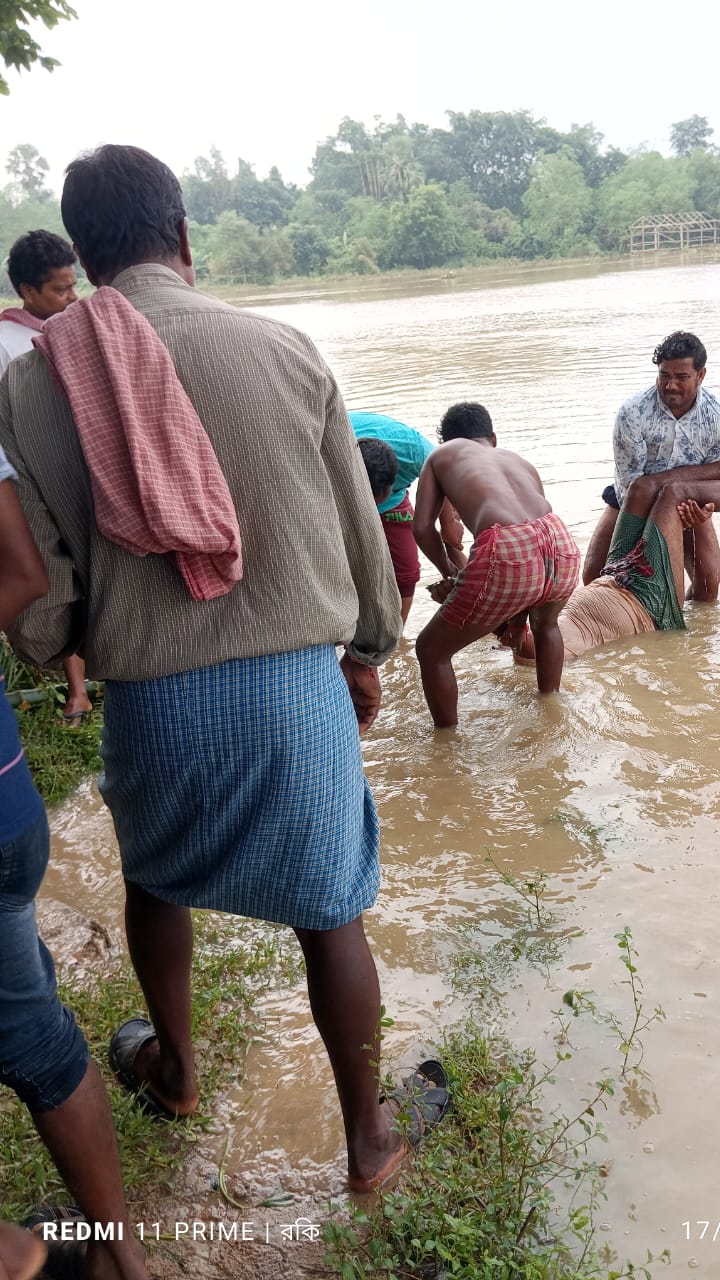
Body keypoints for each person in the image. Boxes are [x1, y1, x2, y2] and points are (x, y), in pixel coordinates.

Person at [0, 144, 448, 1196]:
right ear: (185, 237)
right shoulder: (284, 348)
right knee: (330, 908)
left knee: (156, 880)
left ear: (86, 254)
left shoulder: (38, 376)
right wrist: (370, 647)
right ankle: (367, 1142)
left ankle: (178, 1070)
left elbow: (47, 582)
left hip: (151, 700)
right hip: (296, 691)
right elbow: (356, 521)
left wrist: (76, 644)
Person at [0, 445, 148, 1280]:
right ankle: (113, 1260)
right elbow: (25, 573)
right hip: (6, 804)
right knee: (34, 1027)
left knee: (35, 1028)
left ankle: (31, 1257)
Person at [507, 425, 720, 664]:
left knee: (642, 486)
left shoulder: (528, 624)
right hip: (649, 603)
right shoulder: (550, 653)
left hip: (615, 574)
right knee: (676, 493)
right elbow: (545, 668)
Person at [413, 401, 580, 728]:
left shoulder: (441, 455)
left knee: (430, 651)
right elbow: (536, 533)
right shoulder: (518, 460)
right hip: (559, 540)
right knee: (547, 625)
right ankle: (551, 707)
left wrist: (452, 574)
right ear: (492, 437)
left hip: (507, 546)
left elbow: (421, 528)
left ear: (445, 439)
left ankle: (446, 744)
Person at [1, 229, 90, 726]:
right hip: (26, 485)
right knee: (50, 576)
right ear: (26, 292)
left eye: (73, 285)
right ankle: (76, 689)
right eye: (59, 290)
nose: (71, 297)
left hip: (66, 473)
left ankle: (86, 680)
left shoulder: (69, 335)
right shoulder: (7, 344)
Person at [582, 330, 720, 603]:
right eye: (664, 376)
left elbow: (714, 482)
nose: (671, 386)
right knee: (593, 578)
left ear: (701, 375)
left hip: (689, 505)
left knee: (708, 590)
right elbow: (632, 483)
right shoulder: (633, 412)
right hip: (630, 502)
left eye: (681, 377)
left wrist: (702, 510)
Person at [350, 411, 465, 626]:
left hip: (390, 499)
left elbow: (444, 476)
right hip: (343, 498)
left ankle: (394, 638)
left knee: (407, 571)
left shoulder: (417, 453)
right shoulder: (329, 453)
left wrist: (448, 523)